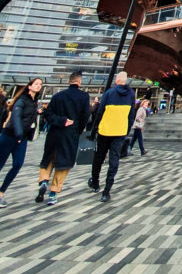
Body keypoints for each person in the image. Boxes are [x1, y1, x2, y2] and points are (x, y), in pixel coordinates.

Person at [0, 77, 43, 210]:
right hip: (9, 136)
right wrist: (19, 134)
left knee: (17, 165)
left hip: (22, 138)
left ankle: (0, 194)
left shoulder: (34, 102)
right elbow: (16, 117)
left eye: (40, 85)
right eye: (36, 84)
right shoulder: (22, 100)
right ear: (29, 86)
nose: (39, 86)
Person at [36, 70, 90, 206]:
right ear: (79, 82)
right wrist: (78, 129)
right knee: (64, 163)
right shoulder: (84, 97)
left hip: (54, 132)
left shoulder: (58, 96)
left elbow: (48, 114)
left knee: (48, 158)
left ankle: (43, 181)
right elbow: (85, 116)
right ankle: (53, 192)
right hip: (70, 134)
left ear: (69, 81)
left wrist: (61, 121)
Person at [89, 71, 135, 202]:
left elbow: (99, 112)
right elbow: (131, 115)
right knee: (114, 160)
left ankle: (96, 183)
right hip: (120, 131)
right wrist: (126, 129)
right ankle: (107, 191)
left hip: (105, 130)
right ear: (125, 81)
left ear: (116, 81)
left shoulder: (109, 93)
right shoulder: (131, 94)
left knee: (99, 157)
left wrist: (95, 128)